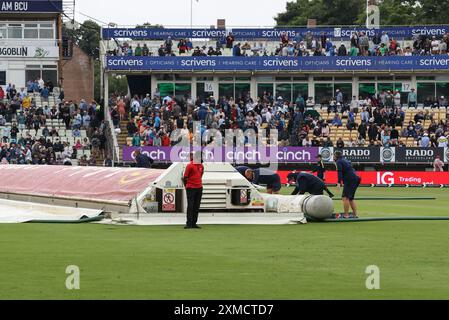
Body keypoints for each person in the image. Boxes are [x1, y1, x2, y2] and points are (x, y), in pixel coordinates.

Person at [334, 150, 361, 218]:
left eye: (334, 156)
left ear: (336, 156)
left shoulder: (338, 161)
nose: (333, 157)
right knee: (351, 198)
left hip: (350, 179)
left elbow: (339, 172)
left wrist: (339, 183)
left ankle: (346, 215)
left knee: (345, 197)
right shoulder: (344, 160)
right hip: (356, 178)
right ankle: (355, 215)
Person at [183, 152, 204, 229]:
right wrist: (187, 186)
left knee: (196, 206)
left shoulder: (201, 166)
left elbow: (200, 175)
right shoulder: (190, 166)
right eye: (201, 157)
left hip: (199, 187)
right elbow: (185, 177)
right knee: (190, 206)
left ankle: (194, 223)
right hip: (191, 188)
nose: (202, 158)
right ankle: (189, 223)